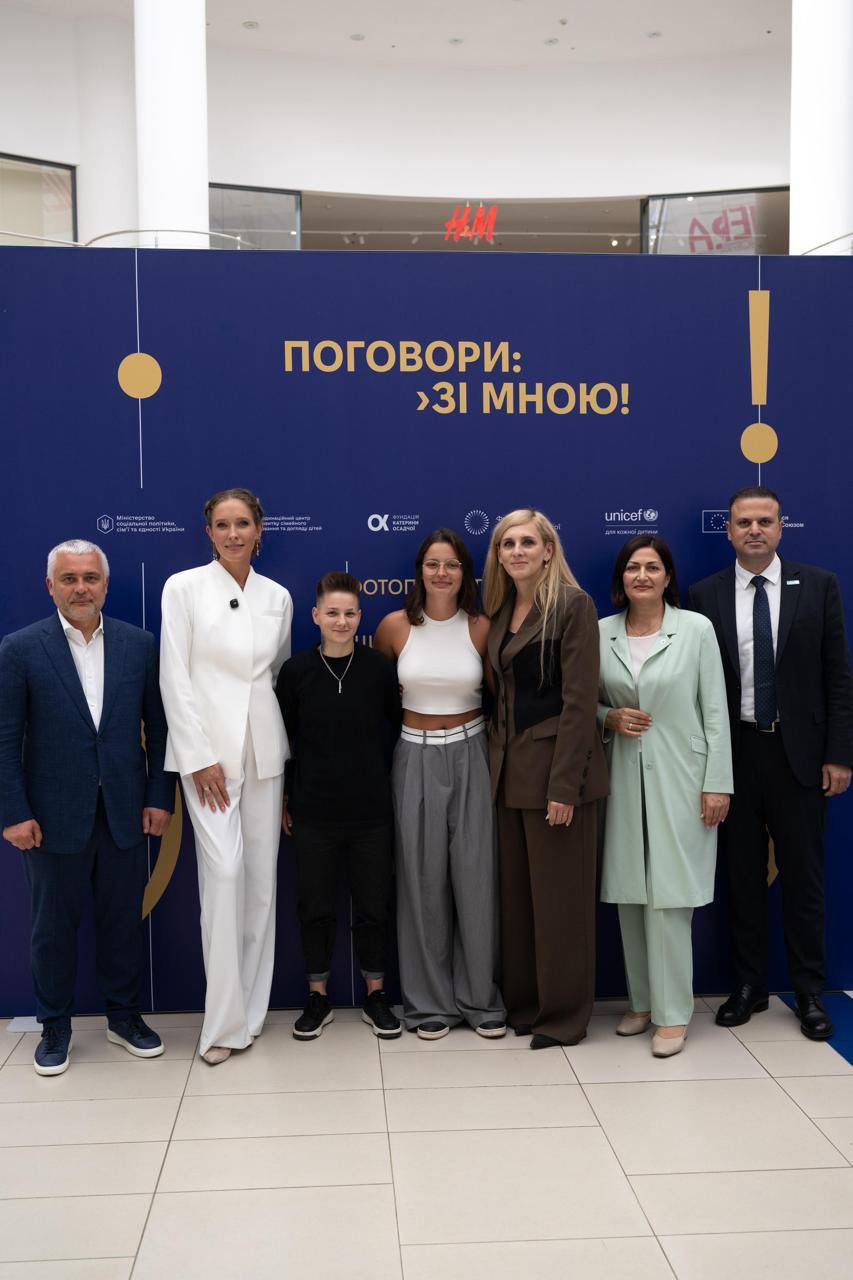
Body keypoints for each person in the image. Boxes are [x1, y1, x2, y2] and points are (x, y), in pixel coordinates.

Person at [0, 540, 173, 1076]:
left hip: (124, 810)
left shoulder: (139, 645)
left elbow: (160, 728)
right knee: (53, 928)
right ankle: (55, 1025)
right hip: (50, 818)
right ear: (50, 586)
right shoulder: (20, 649)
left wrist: (158, 796)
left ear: (106, 584)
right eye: (69, 579)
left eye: (90, 578)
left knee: (122, 922)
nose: (81, 588)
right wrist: (13, 812)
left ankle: (124, 1017)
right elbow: (5, 739)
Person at [690, 485, 853, 1040]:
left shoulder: (820, 586)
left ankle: (808, 991)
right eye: (744, 522)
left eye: (765, 521)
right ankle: (749, 986)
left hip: (799, 755)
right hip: (734, 753)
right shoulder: (704, 594)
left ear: (781, 527)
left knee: (804, 878)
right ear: (729, 531)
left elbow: (838, 676)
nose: (754, 530)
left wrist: (838, 753)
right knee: (741, 876)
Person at [159, 487, 292, 1064]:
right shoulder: (182, 587)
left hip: (264, 752)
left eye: (242, 524)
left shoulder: (278, 596)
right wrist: (196, 756)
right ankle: (221, 1026)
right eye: (222, 524)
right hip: (208, 759)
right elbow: (173, 675)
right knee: (225, 876)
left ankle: (251, 1015)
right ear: (208, 532)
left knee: (260, 885)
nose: (233, 534)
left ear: (259, 530)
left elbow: (277, 675)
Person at [598, 535, 732, 1057]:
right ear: (622, 578)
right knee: (631, 894)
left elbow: (715, 710)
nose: (642, 576)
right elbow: (583, 703)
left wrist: (717, 782)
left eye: (652, 567)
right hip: (622, 779)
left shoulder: (695, 629)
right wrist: (608, 716)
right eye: (633, 567)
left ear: (668, 576)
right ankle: (642, 1003)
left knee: (671, 899)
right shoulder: (602, 632)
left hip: (682, 777)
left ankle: (673, 1014)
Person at [484, 509, 608, 1049]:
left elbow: (580, 704)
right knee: (519, 904)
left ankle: (563, 1017)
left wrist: (565, 788)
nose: (516, 551)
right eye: (507, 543)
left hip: (557, 778)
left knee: (561, 904)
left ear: (548, 551)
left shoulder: (574, 606)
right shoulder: (501, 609)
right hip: (509, 776)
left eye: (527, 542)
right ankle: (528, 1005)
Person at [374, 528, 505, 1039]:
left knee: (476, 879)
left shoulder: (481, 627)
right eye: (433, 564)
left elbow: (499, 698)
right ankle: (428, 1003)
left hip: (472, 753)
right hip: (414, 755)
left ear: (465, 572)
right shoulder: (394, 627)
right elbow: (379, 700)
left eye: (451, 564)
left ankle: (480, 999)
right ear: (420, 571)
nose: (442, 573)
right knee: (420, 880)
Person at [276, 572, 402, 1040]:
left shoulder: (379, 669)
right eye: (332, 612)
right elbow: (284, 742)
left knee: (374, 906)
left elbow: (395, 730)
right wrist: (286, 797)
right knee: (315, 907)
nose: (341, 621)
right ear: (316, 616)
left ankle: (376, 996)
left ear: (360, 617)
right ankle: (318, 997)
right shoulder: (296, 673)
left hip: (371, 811)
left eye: (349, 613)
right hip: (313, 812)